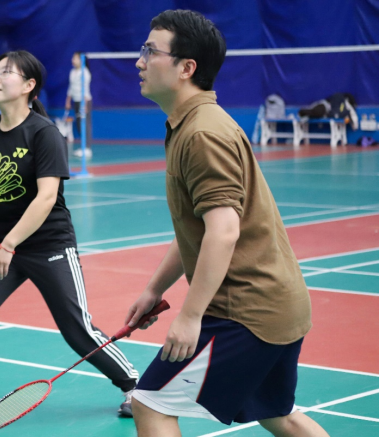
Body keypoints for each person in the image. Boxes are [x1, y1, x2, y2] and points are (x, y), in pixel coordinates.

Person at [125, 10, 330, 437]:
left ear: (186, 68)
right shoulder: (191, 125)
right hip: (279, 305)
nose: (139, 61)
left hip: (246, 312)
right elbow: (198, 231)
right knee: (277, 413)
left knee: (150, 405)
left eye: (150, 51)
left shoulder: (202, 134)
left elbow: (223, 231)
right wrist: (154, 289)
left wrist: (190, 316)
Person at [0, 50, 138, 427]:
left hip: (50, 246)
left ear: (29, 85)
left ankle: (135, 386)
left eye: (6, 73)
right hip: (3, 245)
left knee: (77, 328)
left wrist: (9, 244)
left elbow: (46, 198)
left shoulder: (45, 133)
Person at [65, 52, 93, 159]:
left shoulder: (85, 73)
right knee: (79, 124)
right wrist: (68, 101)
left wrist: (85, 105)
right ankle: (83, 147)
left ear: (81, 60)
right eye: (73, 58)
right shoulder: (72, 72)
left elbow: (85, 89)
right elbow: (71, 87)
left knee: (85, 124)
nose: (73, 60)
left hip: (84, 101)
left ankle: (87, 149)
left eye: (75, 58)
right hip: (76, 101)